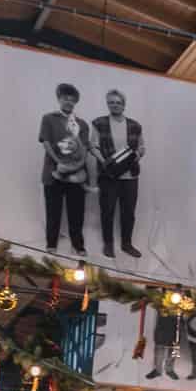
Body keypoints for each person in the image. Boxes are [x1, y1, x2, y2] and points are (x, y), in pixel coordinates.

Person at [39, 82, 95, 254]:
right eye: (65, 99)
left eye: (72, 100)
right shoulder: (48, 118)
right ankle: (51, 244)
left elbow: (84, 149)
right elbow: (46, 143)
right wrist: (59, 162)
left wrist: (76, 166)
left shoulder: (82, 124)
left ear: (75, 102)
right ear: (59, 99)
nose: (68, 102)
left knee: (76, 213)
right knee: (53, 211)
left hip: (77, 175)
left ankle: (78, 245)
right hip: (53, 173)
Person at [92, 88, 145, 260]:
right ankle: (108, 243)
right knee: (107, 210)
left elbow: (142, 147)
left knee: (128, 211)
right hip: (109, 176)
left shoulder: (135, 125)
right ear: (108, 104)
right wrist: (104, 162)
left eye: (118, 102)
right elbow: (93, 146)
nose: (115, 105)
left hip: (130, 177)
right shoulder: (99, 123)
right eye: (111, 102)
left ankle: (126, 244)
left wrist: (137, 155)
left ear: (124, 105)